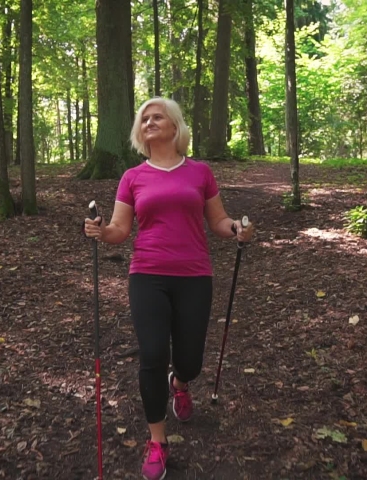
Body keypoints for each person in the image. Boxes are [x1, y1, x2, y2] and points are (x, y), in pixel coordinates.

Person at [83, 97, 254, 480]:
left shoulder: (200, 172)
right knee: (153, 353)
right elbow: (119, 231)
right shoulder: (133, 177)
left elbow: (219, 221)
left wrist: (237, 231)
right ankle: (157, 440)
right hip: (147, 274)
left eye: (157, 116)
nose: (149, 122)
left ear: (176, 127)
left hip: (195, 274)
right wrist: (98, 230)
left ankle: (180, 383)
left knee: (190, 359)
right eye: (144, 118)